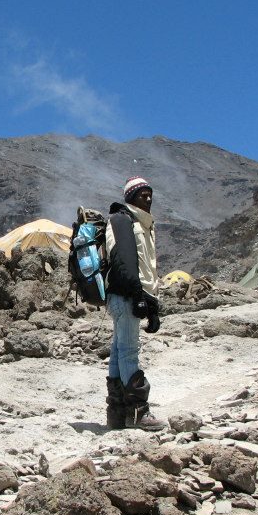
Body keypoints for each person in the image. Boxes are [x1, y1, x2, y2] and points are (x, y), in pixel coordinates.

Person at [103, 176, 165, 431]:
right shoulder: (123, 220)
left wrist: (151, 304)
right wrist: (139, 297)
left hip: (124, 295)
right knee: (129, 352)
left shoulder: (142, 223)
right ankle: (140, 412)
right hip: (126, 295)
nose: (148, 199)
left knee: (119, 351)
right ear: (130, 198)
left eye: (150, 194)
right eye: (142, 195)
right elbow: (124, 262)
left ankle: (116, 414)